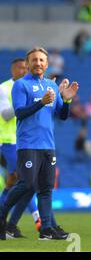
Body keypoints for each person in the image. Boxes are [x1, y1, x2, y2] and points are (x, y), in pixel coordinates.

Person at [0, 46, 79, 240]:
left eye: (42, 60)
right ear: (27, 64)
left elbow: (61, 116)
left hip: (48, 145)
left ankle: (46, 230)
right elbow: (19, 113)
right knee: (26, 183)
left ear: (47, 64)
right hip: (28, 144)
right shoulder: (21, 85)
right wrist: (41, 103)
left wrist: (66, 101)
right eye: (34, 60)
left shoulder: (51, 86)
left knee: (45, 188)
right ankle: (2, 214)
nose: (38, 63)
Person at [0, 58, 41, 238]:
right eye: (20, 68)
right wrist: (23, 107)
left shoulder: (28, 87)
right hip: (6, 142)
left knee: (15, 183)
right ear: (13, 70)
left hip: (22, 142)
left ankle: (7, 225)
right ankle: (36, 219)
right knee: (25, 180)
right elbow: (6, 115)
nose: (24, 71)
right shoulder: (4, 88)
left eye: (26, 68)